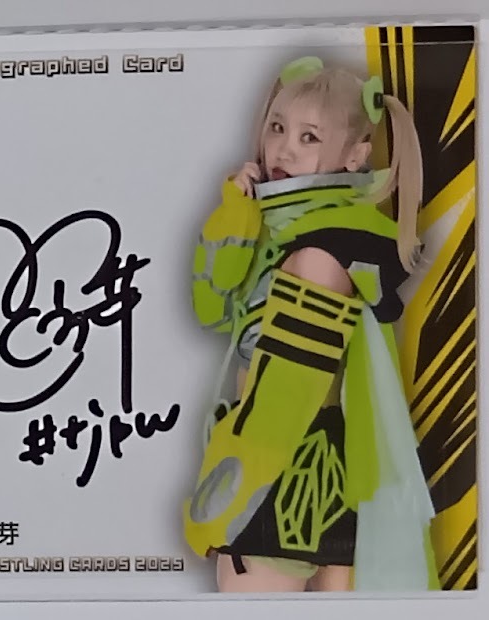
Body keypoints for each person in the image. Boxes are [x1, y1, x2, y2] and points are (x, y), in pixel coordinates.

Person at [183, 56, 439, 592]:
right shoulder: (291, 235)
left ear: (355, 156)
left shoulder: (323, 248)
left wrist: (230, 500)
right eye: (277, 127)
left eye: (309, 136)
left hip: (285, 470)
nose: (283, 149)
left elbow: (288, 397)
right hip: (322, 472)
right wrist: (236, 213)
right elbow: (212, 308)